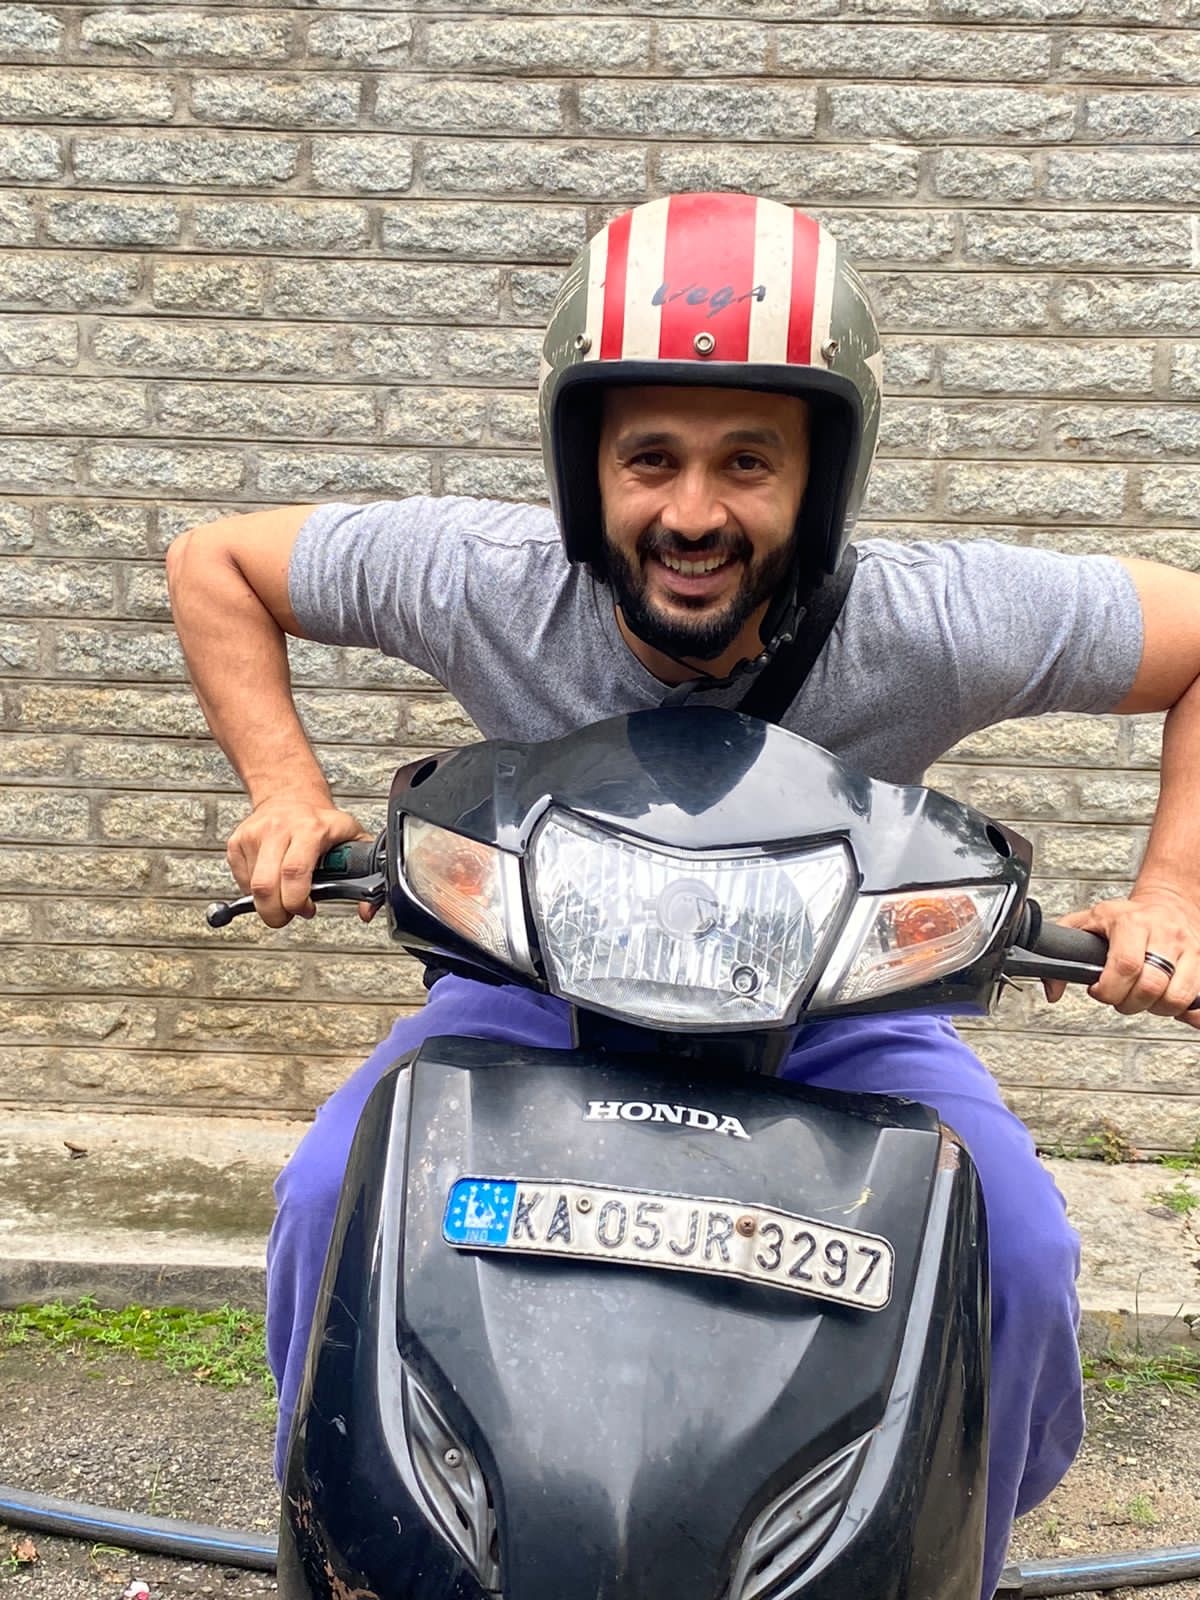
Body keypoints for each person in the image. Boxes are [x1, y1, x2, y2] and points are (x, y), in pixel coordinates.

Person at [167, 193, 1200, 1598]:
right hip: (533, 993)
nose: (693, 512)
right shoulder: (490, 581)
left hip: (841, 1018)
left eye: (747, 462)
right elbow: (216, 562)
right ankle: (356, 1540)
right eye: (649, 457)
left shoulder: (930, 617)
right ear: (582, 469)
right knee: (324, 1200)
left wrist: (1169, 891)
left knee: (1012, 1254)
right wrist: (286, 792)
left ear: (820, 480)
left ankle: (945, 1552)